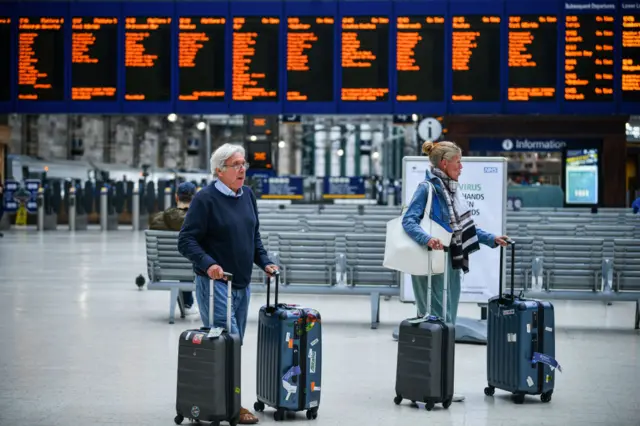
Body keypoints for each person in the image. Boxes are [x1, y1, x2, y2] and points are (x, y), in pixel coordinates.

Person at [402, 141, 510, 402]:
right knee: (434, 319)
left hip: (449, 263)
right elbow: (408, 220)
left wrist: (491, 238)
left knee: (446, 322)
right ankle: (431, 384)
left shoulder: (451, 191)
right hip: (431, 262)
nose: (461, 167)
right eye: (458, 162)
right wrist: (427, 239)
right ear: (444, 164)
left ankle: (439, 383)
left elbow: (461, 230)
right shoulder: (427, 188)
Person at [178, 143, 278, 425]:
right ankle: (231, 406)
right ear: (219, 171)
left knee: (234, 343)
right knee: (226, 345)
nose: (242, 169)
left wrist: (265, 261)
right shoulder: (205, 199)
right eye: (236, 164)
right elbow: (186, 240)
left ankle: (216, 398)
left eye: (244, 163)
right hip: (215, 285)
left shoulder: (247, 195)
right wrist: (209, 263)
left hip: (242, 284)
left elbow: (253, 236)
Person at [149, 181, 198, 315]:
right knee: (191, 260)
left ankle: (187, 304)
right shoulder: (200, 219)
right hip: (197, 268)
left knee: (182, 262)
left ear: (176, 197)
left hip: (166, 269)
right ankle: (189, 304)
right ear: (195, 198)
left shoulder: (158, 220)